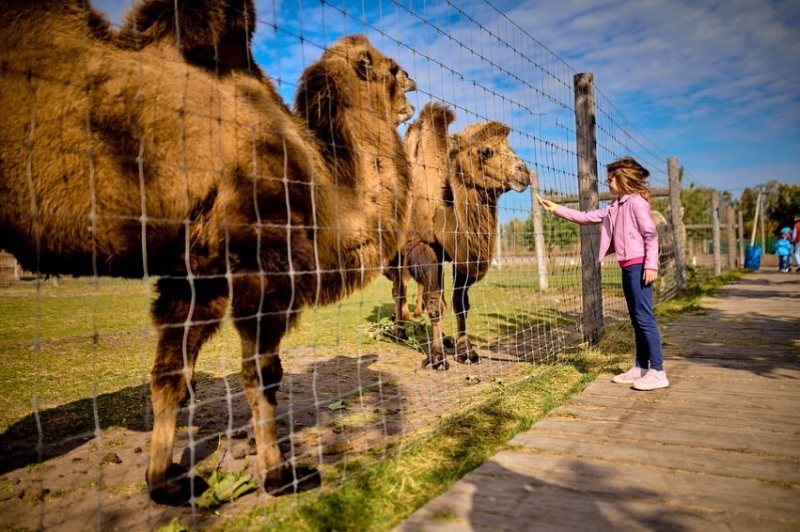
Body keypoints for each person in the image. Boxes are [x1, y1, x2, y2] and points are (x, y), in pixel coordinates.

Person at [536, 156, 668, 391]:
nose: (608, 183)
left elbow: (651, 235)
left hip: (639, 267)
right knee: (637, 319)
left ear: (624, 180)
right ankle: (640, 367)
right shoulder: (615, 207)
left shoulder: (636, 203)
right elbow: (586, 218)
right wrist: (555, 208)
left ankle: (658, 371)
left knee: (645, 318)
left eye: (611, 179)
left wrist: (651, 266)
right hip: (627, 267)